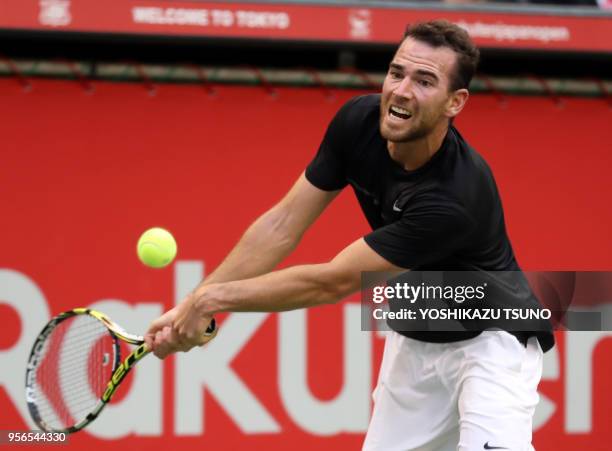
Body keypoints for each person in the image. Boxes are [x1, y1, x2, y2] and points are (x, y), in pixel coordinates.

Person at [145, 20, 554, 451]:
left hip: (491, 340)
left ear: (456, 102)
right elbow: (282, 225)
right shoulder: (358, 122)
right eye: (396, 73)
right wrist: (192, 305)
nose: (401, 91)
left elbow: (332, 281)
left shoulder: (453, 200)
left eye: (425, 81)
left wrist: (210, 301)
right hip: (416, 337)